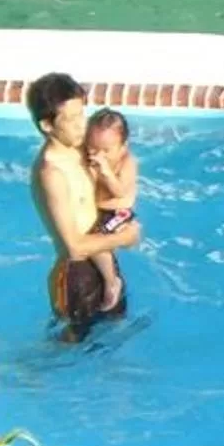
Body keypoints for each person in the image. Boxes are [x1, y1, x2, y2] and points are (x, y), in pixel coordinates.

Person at [25, 72, 140, 340]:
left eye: (82, 115)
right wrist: (124, 237)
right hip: (75, 278)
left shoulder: (82, 147)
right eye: (72, 119)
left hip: (104, 260)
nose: (82, 125)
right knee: (72, 348)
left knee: (114, 336)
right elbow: (73, 247)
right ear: (47, 125)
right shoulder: (51, 173)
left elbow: (123, 159)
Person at [85, 107, 139, 236]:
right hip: (95, 210)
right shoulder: (89, 157)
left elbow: (120, 192)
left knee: (98, 239)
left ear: (123, 147)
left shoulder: (127, 162)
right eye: (92, 147)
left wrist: (107, 172)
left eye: (106, 150)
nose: (99, 154)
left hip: (117, 213)